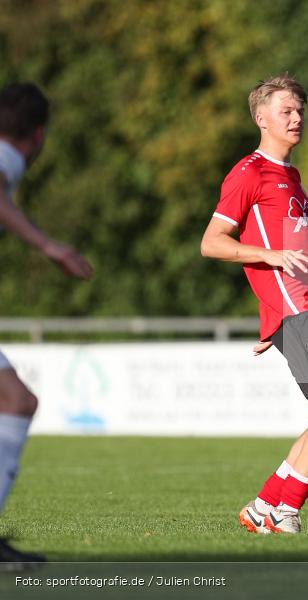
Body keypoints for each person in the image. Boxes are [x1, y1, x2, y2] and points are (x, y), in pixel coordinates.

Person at [200, 74, 308, 534]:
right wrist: (275, 280)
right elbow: (213, 242)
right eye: (286, 111)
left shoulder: (290, 174)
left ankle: (266, 506)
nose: (296, 119)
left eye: (299, 111)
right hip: (298, 308)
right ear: (261, 118)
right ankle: (281, 507)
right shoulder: (249, 172)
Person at [0, 83, 93, 569]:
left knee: (15, 400)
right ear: (37, 135)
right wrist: (48, 245)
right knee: (15, 401)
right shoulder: (7, 156)